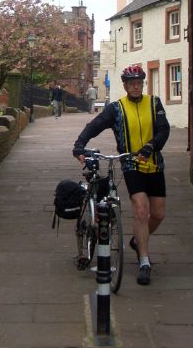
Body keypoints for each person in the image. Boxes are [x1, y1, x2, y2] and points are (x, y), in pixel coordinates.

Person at [72, 64, 169, 286]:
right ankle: (144, 261)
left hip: (155, 164)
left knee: (158, 214)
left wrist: (151, 146)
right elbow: (94, 125)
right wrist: (79, 145)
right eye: (131, 83)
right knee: (141, 210)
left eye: (139, 83)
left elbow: (164, 130)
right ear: (125, 85)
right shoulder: (116, 109)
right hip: (131, 165)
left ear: (142, 84)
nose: (136, 87)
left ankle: (137, 239)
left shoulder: (154, 104)